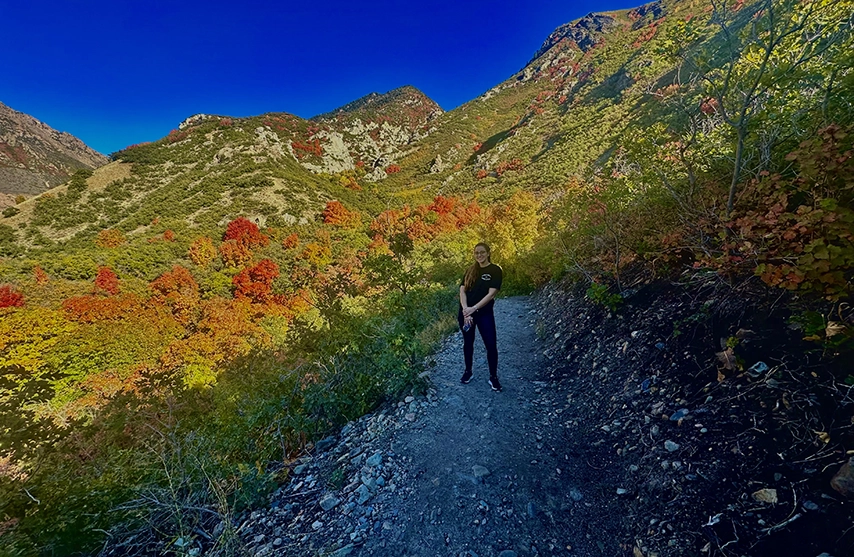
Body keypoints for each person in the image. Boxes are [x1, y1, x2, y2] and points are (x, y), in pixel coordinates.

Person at [458, 242, 503, 391]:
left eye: (482, 252)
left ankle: (493, 377)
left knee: (491, 345)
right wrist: (466, 310)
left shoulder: (495, 270)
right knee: (468, 343)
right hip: (466, 315)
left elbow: (491, 294)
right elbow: (462, 290)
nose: (479, 255)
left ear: (488, 253)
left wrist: (474, 308)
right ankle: (468, 371)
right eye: (476, 253)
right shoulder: (470, 270)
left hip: (484, 314)